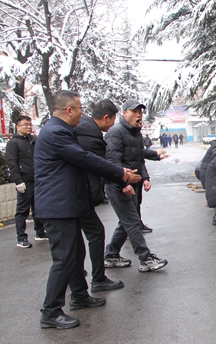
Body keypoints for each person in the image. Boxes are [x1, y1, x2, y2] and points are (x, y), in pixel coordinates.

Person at [35, 90, 139, 329]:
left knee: (75, 253)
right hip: (58, 206)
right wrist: (121, 174)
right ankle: (50, 311)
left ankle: (80, 296)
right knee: (64, 258)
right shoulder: (56, 132)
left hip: (67, 204)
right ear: (69, 110)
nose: (82, 113)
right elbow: (84, 158)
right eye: (80, 108)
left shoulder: (61, 130)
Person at [104, 99, 168, 272]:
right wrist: (123, 183)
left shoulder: (136, 134)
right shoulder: (115, 133)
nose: (138, 115)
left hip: (134, 184)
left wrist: (145, 178)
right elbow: (113, 162)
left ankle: (111, 255)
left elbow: (139, 159)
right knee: (132, 221)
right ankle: (145, 258)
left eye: (140, 112)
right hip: (119, 185)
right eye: (134, 111)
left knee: (126, 222)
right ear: (124, 113)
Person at [73, 99, 126, 292]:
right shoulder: (91, 139)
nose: (112, 124)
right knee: (95, 233)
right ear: (106, 117)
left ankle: (77, 274)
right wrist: (124, 179)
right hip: (80, 195)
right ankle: (98, 279)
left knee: (75, 239)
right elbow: (101, 166)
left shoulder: (81, 131)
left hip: (73, 194)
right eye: (113, 119)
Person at [6, 115, 48, 248]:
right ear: (18, 127)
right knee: (22, 209)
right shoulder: (13, 143)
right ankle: (21, 237)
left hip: (37, 179)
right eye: (25, 124)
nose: (29, 127)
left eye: (30, 124)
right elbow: (12, 163)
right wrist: (18, 181)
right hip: (25, 180)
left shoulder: (34, 140)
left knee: (38, 207)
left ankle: (40, 232)